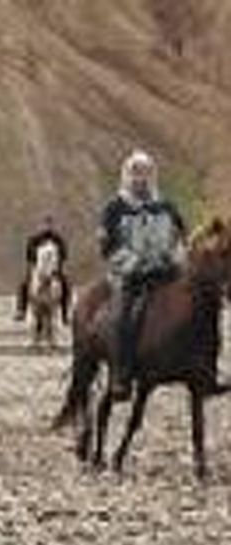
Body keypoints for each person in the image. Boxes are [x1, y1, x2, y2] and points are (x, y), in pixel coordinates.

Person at [100, 150, 186, 399]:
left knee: (199, 305)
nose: (141, 179)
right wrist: (134, 263)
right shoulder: (114, 208)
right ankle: (121, 375)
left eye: (146, 173)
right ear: (127, 175)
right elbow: (108, 247)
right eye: (136, 173)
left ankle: (202, 367)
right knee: (126, 316)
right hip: (131, 276)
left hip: (166, 271)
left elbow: (181, 236)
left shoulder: (166, 205)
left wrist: (176, 257)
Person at [16, 215, 70, 325]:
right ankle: (21, 309)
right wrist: (33, 268)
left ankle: (65, 313)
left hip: (54, 269)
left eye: (49, 225)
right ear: (41, 226)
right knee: (23, 284)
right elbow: (29, 257)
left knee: (66, 285)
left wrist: (60, 268)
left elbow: (64, 256)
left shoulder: (58, 239)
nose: (47, 227)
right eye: (45, 225)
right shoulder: (34, 240)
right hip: (38, 268)